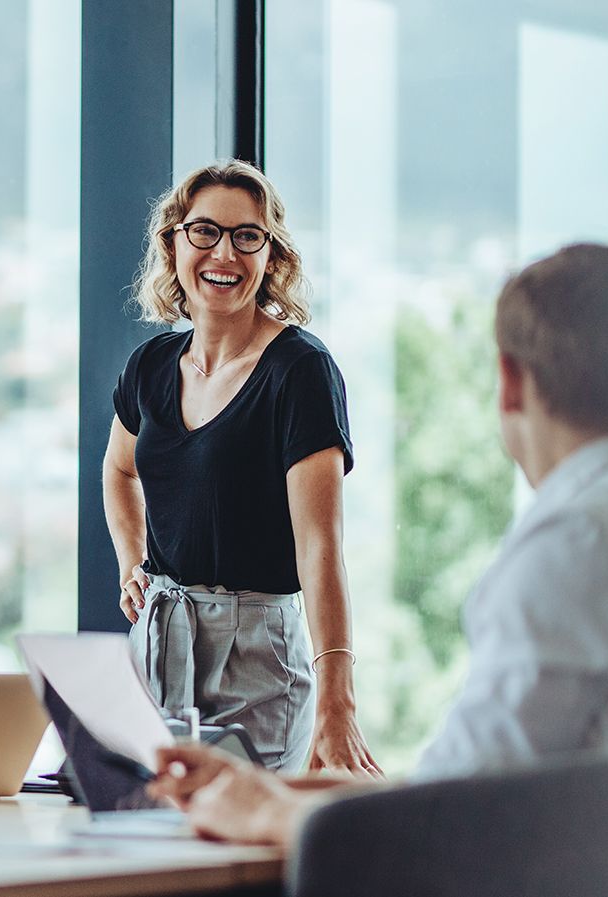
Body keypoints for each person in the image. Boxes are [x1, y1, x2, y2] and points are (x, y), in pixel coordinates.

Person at [147, 242, 608, 846]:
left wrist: (268, 814)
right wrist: (274, 790)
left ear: (509, 383)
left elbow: (455, 820)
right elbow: (470, 782)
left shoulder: (575, 544)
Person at [102, 159, 380, 776]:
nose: (223, 252)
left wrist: (339, 701)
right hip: (157, 642)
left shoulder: (300, 371)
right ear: (173, 242)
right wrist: (131, 560)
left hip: (256, 655)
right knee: (148, 844)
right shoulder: (149, 366)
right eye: (204, 231)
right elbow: (119, 471)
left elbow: (320, 549)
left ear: (270, 255)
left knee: (238, 856)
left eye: (246, 235)